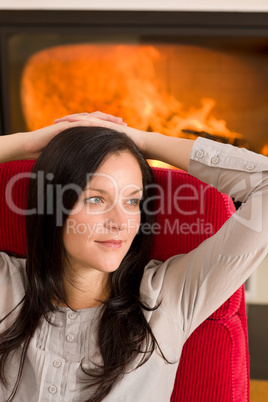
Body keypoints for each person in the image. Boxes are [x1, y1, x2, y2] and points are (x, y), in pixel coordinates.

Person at [0, 111, 267, 402]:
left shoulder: (169, 297)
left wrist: (142, 140)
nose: (120, 221)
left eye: (131, 201)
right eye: (96, 198)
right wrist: (27, 144)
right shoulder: (6, 286)